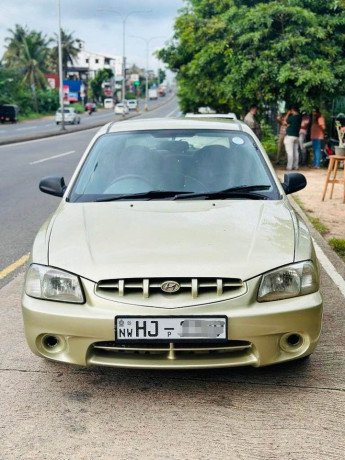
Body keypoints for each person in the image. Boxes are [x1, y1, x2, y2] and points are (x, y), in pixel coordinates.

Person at [283, 105, 302, 170]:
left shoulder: (292, 117)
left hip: (290, 135)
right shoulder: (299, 117)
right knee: (296, 151)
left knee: (290, 152)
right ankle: (295, 166)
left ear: (292, 110)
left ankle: (289, 166)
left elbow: (284, 122)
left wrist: (288, 114)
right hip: (296, 135)